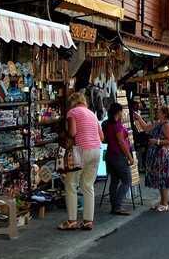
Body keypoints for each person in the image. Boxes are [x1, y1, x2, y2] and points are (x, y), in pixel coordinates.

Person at [58, 92, 104, 230]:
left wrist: (64, 134)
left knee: (71, 184)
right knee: (88, 186)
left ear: (72, 102)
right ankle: (88, 221)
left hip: (81, 150)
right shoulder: (92, 114)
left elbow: (72, 132)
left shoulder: (72, 112)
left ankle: (72, 220)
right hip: (96, 150)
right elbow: (101, 136)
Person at [133, 105, 169, 211]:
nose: (157, 112)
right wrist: (139, 118)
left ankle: (165, 203)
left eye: (160, 111)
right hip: (156, 154)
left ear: (164, 113)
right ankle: (162, 202)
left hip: (163, 154)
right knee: (159, 178)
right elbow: (146, 128)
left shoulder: (166, 125)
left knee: (163, 178)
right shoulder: (158, 124)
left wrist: (157, 141)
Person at [102, 102, 135, 215]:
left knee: (115, 181)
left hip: (110, 153)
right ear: (119, 112)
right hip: (118, 155)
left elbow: (104, 138)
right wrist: (130, 157)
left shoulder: (106, 124)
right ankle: (117, 205)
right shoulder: (117, 125)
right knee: (127, 180)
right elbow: (121, 142)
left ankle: (114, 204)